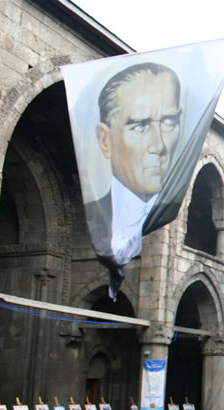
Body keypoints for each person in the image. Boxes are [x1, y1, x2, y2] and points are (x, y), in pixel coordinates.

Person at [89, 62, 183, 270]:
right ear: (105, 140)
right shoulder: (92, 213)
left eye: (168, 122)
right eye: (140, 126)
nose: (159, 145)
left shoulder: (167, 211)